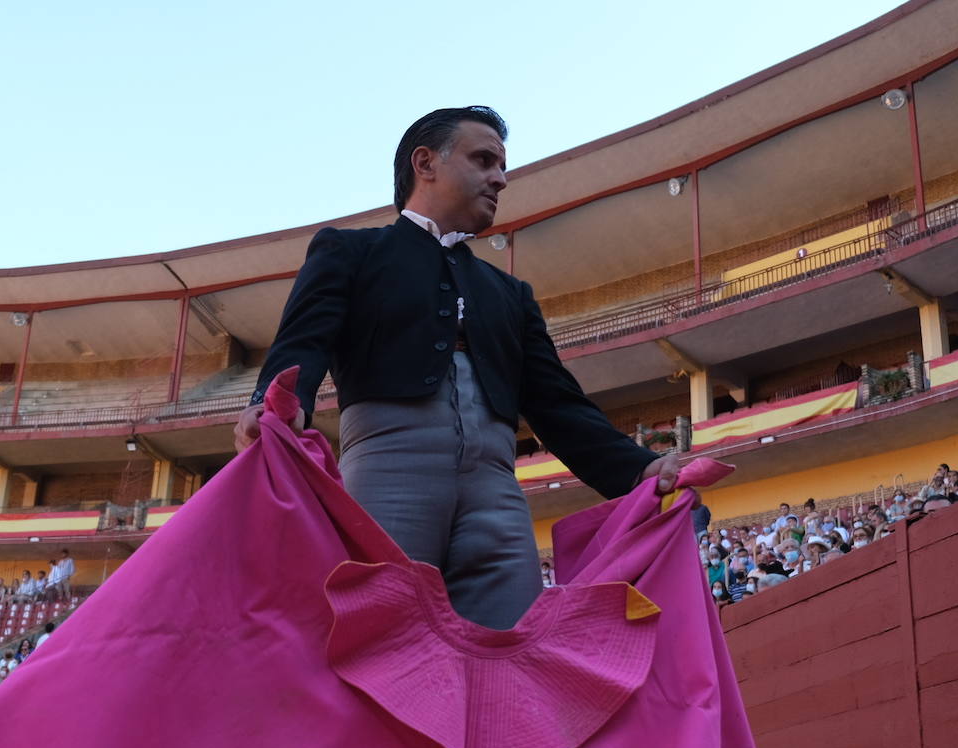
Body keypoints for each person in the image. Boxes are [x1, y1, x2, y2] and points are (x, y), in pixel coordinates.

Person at [233, 106, 677, 629]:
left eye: (502, 166)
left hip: (496, 488)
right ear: (426, 163)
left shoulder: (510, 292)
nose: (501, 179)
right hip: (386, 470)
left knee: (511, 643)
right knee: (379, 639)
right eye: (484, 160)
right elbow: (302, 342)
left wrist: (636, 468)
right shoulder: (350, 252)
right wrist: (274, 402)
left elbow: (555, 400)